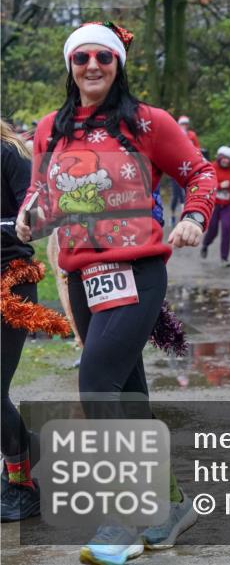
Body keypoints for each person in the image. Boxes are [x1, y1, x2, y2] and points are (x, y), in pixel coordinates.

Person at [15, 21, 214, 563]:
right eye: (82, 58)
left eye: (103, 55)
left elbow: (199, 173)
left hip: (139, 270)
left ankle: (123, 519)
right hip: (81, 275)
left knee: (96, 379)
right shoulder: (50, 129)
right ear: (69, 66)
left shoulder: (148, 122)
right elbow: (40, 191)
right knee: (128, 396)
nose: (93, 66)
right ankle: (170, 507)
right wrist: (29, 216)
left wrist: (194, 217)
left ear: (118, 62)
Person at [2, 121, 71, 522]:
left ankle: (24, 485)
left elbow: (35, 219)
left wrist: (19, 221)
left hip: (9, 281)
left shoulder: (9, 154)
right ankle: (25, 446)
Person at [200, 146, 230, 268]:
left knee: (226, 228)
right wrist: (219, 185)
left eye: (228, 159)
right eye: (224, 158)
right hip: (214, 203)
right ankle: (206, 244)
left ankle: (224, 258)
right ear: (219, 157)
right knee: (212, 229)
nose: (226, 161)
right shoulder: (212, 167)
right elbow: (206, 184)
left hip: (228, 204)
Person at [165, 116, 200, 225]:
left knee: (186, 194)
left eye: (186, 124)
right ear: (178, 125)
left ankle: (183, 217)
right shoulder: (174, 134)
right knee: (176, 195)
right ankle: (172, 215)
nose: (184, 126)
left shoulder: (192, 135)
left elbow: (197, 148)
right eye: (182, 124)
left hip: (188, 168)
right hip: (176, 168)